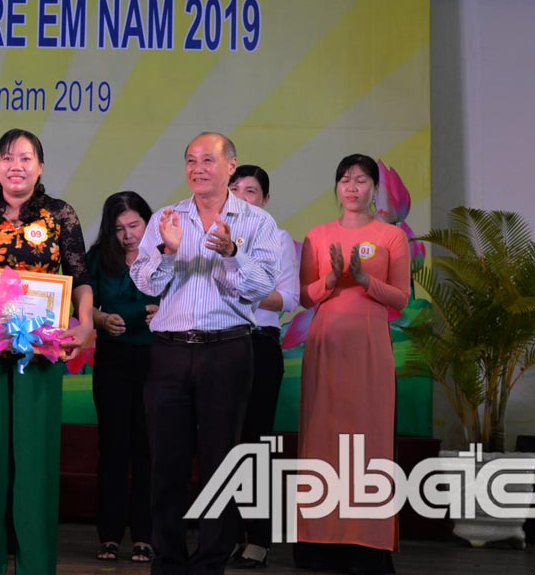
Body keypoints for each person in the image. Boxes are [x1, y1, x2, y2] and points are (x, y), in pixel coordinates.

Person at [130, 132, 278, 575]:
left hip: (227, 351)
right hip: (170, 353)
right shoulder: (167, 218)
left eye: (208, 160)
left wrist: (231, 253)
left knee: (221, 463)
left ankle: (211, 563)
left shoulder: (256, 223)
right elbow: (145, 283)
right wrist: (167, 250)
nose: (198, 168)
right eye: (191, 160)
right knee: (167, 465)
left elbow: (260, 287)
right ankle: (168, 562)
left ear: (231, 166)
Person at [0, 128, 95, 575]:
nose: (17, 166)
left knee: (35, 462)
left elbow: (79, 277)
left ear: (40, 166)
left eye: (26, 158)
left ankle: (36, 565)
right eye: (8, 158)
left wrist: (85, 322)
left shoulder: (59, 214)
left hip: (41, 352)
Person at [293, 155, 409, 575]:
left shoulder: (391, 236)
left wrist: (364, 280)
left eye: (361, 180)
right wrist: (331, 279)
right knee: (322, 436)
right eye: (345, 180)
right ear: (337, 187)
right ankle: (318, 541)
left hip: (369, 346)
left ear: (375, 188)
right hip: (327, 344)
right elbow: (303, 297)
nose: (352, 188)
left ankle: (368, 542)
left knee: (368, 437)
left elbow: (401, 298)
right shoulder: (318, 235)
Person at [226, 165, 300, 570]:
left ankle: (258, 537)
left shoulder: (277, 239)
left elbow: (287, 299)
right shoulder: (210, 236)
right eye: (234, 188)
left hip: (258, 344)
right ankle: (224, 534)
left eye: (250, 191)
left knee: (255, 444)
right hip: (217, 345)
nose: (241, 196)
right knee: (221, 442)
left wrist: (243, 288)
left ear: (266, 200)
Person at [87, 191, 156, 564]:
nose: (128, 235)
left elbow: (186, 298)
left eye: (134, 225)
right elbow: (82, 304)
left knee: (149, 448)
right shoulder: (100, 257)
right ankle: (109, 535)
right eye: (119, 229)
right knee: (113, 446)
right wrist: (101, 319)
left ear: (148, 222)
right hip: (113, 360)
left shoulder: (166, 255)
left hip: (156, 361)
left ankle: (145, 535)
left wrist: (164, 311)